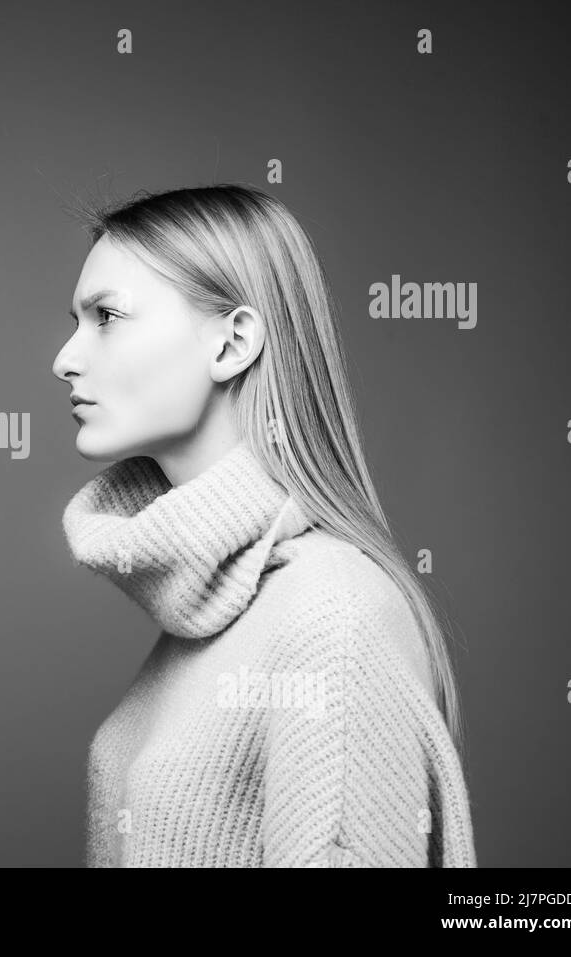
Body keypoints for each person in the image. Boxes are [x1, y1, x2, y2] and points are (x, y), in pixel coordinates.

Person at [53, 184, 477, 867]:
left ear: (234, 342)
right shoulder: (215, 598)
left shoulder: (330, 615)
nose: (65, 358)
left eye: (106, 315)